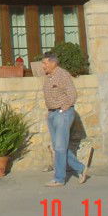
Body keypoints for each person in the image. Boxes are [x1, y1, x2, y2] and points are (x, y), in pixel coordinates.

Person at [41, 52, 88, 187]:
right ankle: (80, 168)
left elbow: (72, 94)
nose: (43, 66)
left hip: (62, 114)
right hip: (52, 114)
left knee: (60, 147)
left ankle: (59, 178)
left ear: (53, 63)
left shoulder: (62, 75)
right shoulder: (48, 77)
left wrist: (63, 109)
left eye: (45, 63)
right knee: (59, 147)